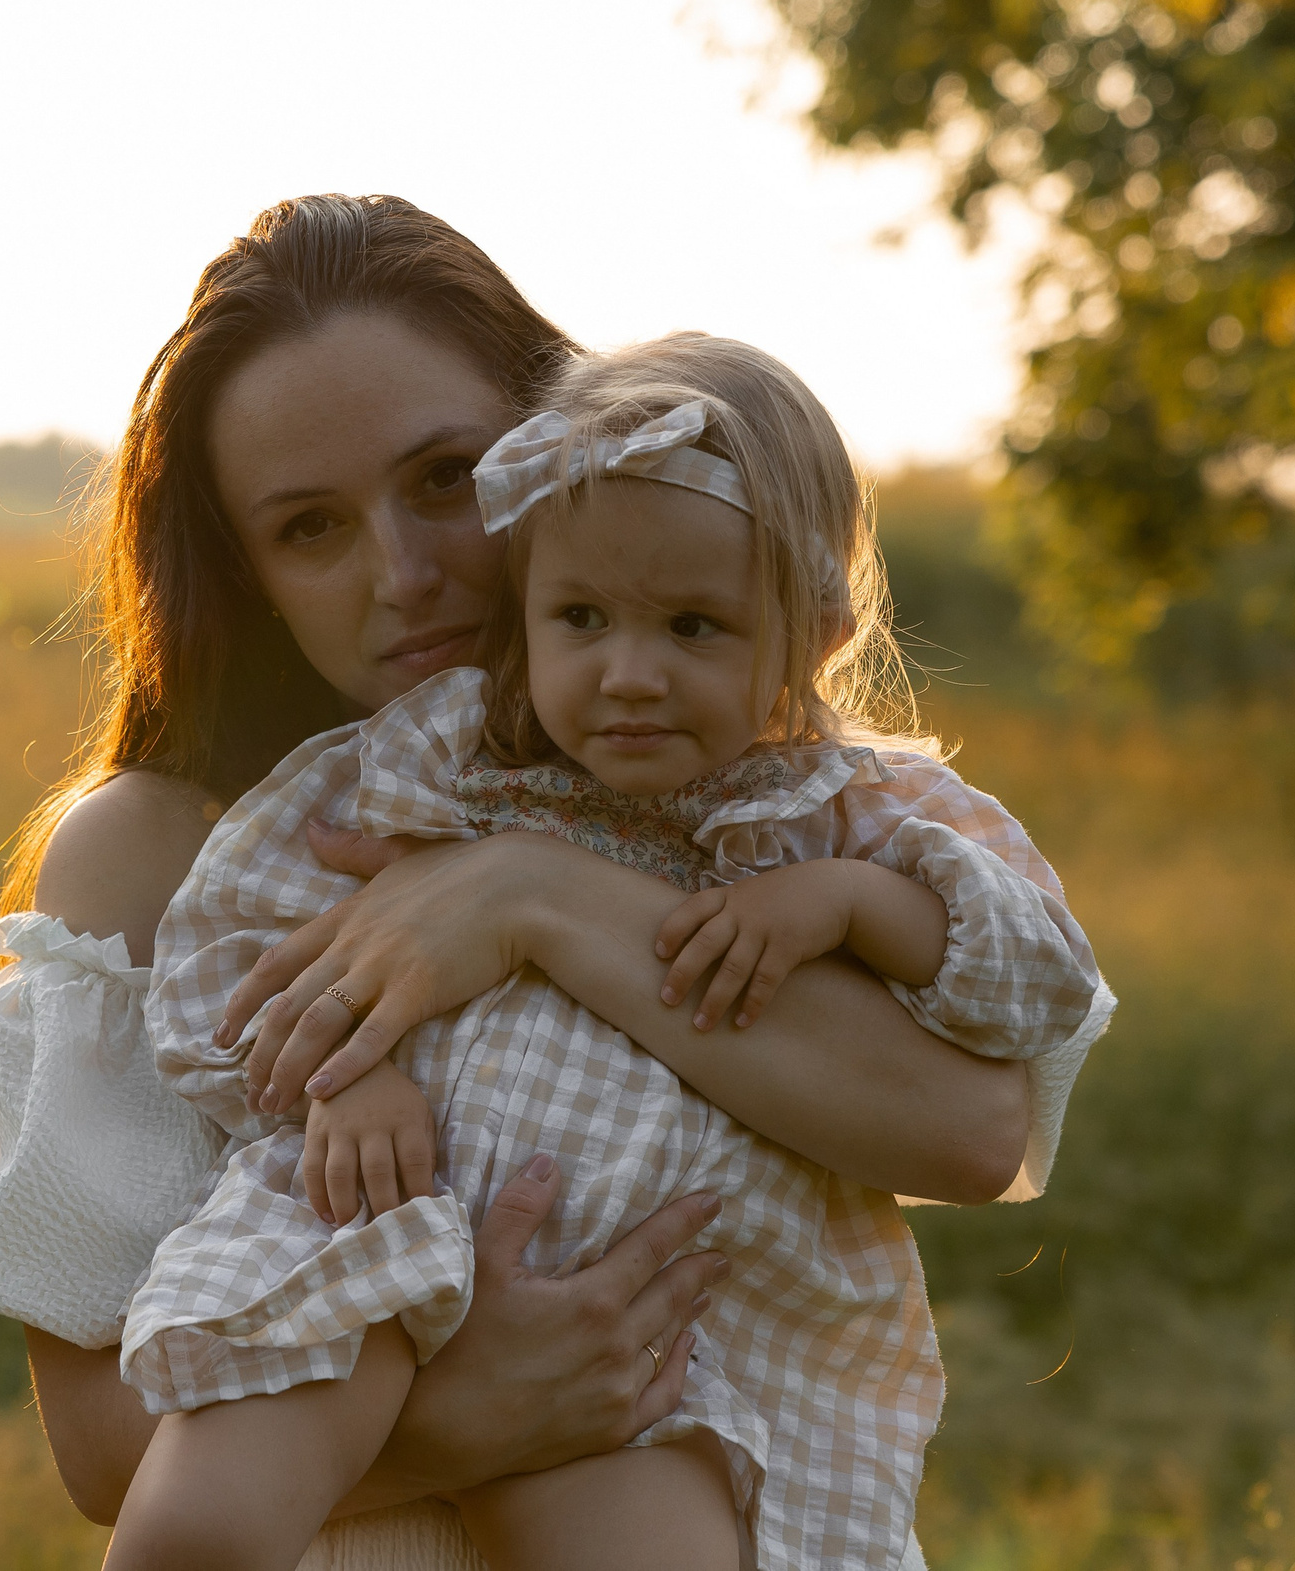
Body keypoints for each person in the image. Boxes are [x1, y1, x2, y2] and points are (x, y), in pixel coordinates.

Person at [0, 195, 1073, 1570]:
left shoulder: (755, 789)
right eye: (311, 527)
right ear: (249, 574)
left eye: (447, 477)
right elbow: (102, 1456)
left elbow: (973, 1133)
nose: (407, 573)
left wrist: (526, 894)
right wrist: (474, 1410)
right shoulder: (165, 846)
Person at [111, 334, 1111, 1571]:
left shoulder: (851, 816)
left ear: (818, 628)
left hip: (651, 1328)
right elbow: (243, 940)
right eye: (579, 618)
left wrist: (851, 902)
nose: (628, 676)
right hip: (370, 1218)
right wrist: (346, 1077)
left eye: (694, 625)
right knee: (195, 1531)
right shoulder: (451, 754)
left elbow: (1033, 979)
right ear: (528, 597)